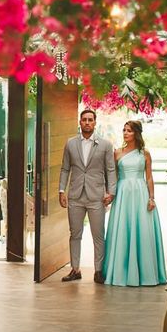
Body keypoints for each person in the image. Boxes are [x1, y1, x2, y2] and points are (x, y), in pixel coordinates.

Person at [103, 120, 167, 286]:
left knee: (142, 231)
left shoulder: (144, 153)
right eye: (124, 130)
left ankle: (146, 273)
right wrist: (110, 194)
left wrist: (151, 198)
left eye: (129, 130)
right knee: (123, 229)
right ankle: (120, 272)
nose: (125, 133)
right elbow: (113, 177)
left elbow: (149, 177)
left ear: (136, 133)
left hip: (140, 194)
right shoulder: (117, 152)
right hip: (123, 194)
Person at [58, 109, 117, 284]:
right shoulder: (70, 143)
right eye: (84, 120)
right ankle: (75, 269)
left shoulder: (105, 145)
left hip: (97, 197)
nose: (87, 123)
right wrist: (62, 190)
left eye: (90, 120)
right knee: (75, 234)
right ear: (80, 122)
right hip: (75, 196)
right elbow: (65, 168)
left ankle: (98, 271)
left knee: (98, 235)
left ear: (95, 122)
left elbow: (110, 170)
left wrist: (111, 192)